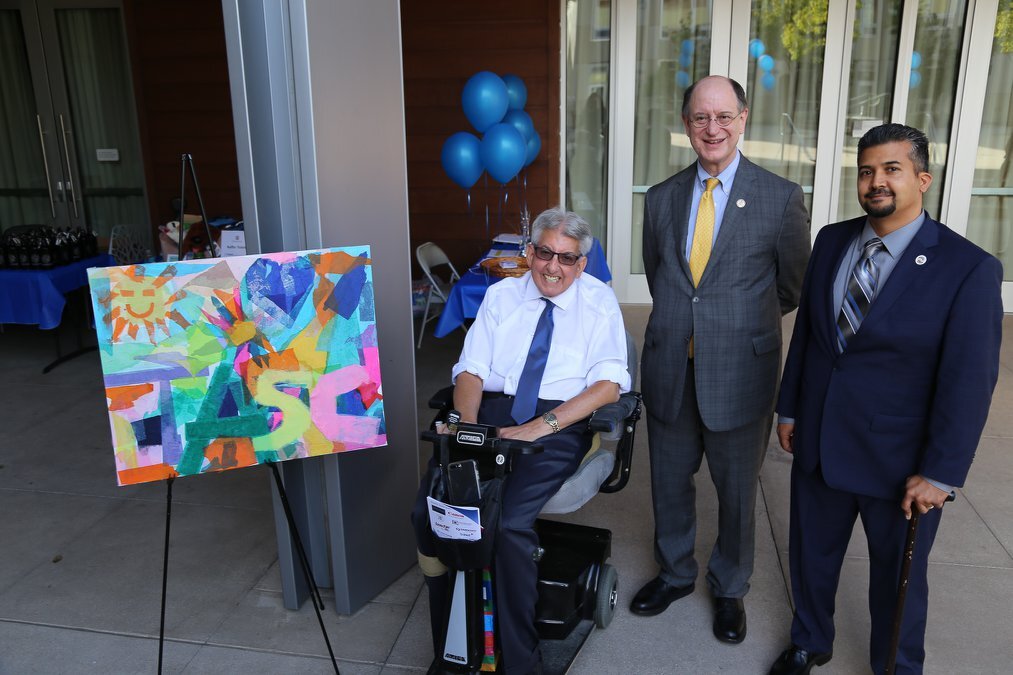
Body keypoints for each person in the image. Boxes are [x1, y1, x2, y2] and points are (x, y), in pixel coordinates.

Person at [768, 123, 1003, 675]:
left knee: (898, 578)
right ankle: (809, 640)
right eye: (867, 170)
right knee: (811, 555)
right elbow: (809, 336)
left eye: (892, 169)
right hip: (820, 440)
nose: (877, 181)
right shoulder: (832, 240)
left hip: (899, 461)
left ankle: (897, 666)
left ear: (922, 179)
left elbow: (969, 383)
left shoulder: (968, 268)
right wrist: (791, 406)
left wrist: (941, 474)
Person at [411, 207, 631, 675]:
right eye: (545, 253)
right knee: (434, 511)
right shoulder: (502, 295)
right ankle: (454, 646)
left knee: (508, 524)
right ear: (530, 252)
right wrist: (468, 426)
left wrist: (539, 426)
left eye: (566, 258)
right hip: (490, 413)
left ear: (581, 264)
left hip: (559, 420)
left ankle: (519, 663)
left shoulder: (598, 302)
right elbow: (471, 370)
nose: (553, 267)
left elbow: (608, 386)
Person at [632, 75, 811, 644]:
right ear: (686, 124)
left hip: (740, 372)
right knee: (668, 482)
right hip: (670, 366)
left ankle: (730, 586)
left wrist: (733, 327)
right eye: (701, 117)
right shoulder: (660, 198)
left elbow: (792, 286)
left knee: (737, 493)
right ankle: (675, 573)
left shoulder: (780, 197)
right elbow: (665, 279)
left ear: (743, 119)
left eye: (724, 117)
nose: (713, 128)